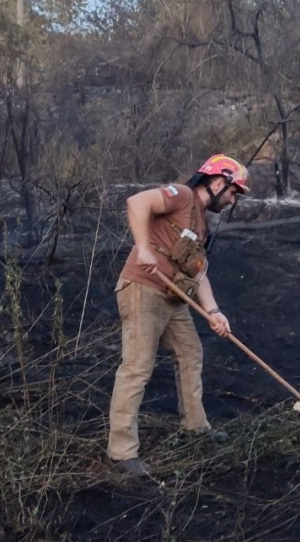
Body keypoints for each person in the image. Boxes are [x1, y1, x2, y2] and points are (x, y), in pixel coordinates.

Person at [108, 154, 252, 476]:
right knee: (137, 368)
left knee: (190, 353)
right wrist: (143, 247)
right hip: (144, 289)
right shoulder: (182, 195)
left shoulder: (201, 222)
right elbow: (137, 202)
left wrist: (214, 312)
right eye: (232, 192)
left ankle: (195, 428)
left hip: (173, 299)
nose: (232, 200)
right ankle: (122, 453)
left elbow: (199, 274)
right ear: (217, 183)